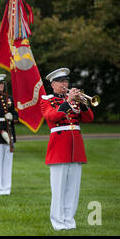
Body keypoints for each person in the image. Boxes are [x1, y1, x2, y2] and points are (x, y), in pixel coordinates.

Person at [40, 67, 94, 230]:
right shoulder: (47, 100)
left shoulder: (74, 100)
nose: (65, 84)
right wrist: (68, 101)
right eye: (61, 82)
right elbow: (52, 116)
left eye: (66, 82)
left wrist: (82, 103)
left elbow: (89, 118)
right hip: (59, 147)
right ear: (53, 84)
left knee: (73, 188)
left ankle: (69, 221)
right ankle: (58, 222)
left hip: (75, 147)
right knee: (59, 189)